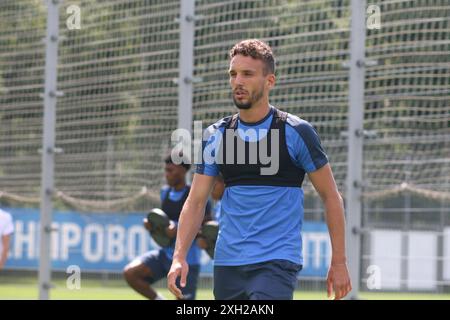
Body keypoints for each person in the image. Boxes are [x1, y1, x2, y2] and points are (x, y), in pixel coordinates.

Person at [167, 39, 351, 300]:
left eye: (248, 74)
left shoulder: (297, 132)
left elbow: (331, 197)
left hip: (276, 262)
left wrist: (340, 261)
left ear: (270, 81)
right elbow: (196, 202)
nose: (237, 81)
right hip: (227, 264)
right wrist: (179, 257)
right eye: (233, 74)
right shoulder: (216, 136)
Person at [123, 154, 211, 300]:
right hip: (165, 254)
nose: (167, 174)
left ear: (183, 171)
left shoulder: (196, 195)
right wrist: (152, 224)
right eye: (165, 170)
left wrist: (178, 228)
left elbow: (205, 227)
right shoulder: (165, 192)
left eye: (171, 170)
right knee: (131, 273)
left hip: (187, 260)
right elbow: (163, 222)